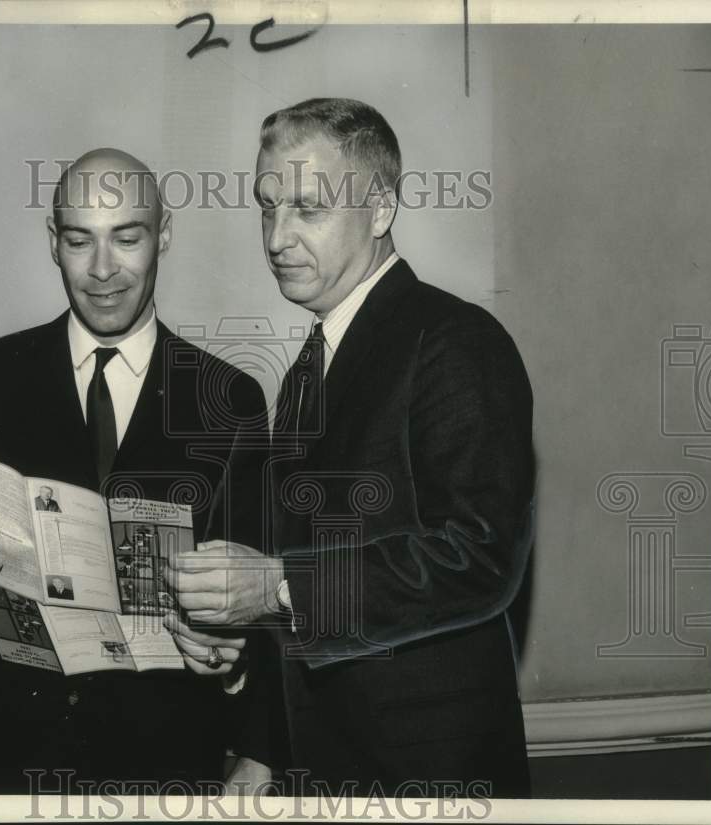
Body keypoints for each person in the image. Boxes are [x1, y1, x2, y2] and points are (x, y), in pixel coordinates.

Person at [167, 98, 535, 797]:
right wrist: (264, 747)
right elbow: (308, 574)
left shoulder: (457, 341)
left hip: (428, 777)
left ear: (381, 210)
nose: (276, 236)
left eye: (308, 208)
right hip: (321, 769)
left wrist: (273, 585)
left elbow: (480, 556)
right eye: (266, 206)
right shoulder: (308, 368)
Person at [0, 149, 269, 794]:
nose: (102, 270)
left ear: (164, 236)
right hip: (0, 763)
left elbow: (260, 602)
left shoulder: (230, 399)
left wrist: (233, 660)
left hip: (159, 766)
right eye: (78, 240)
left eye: (127, 238)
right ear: (53, 243)